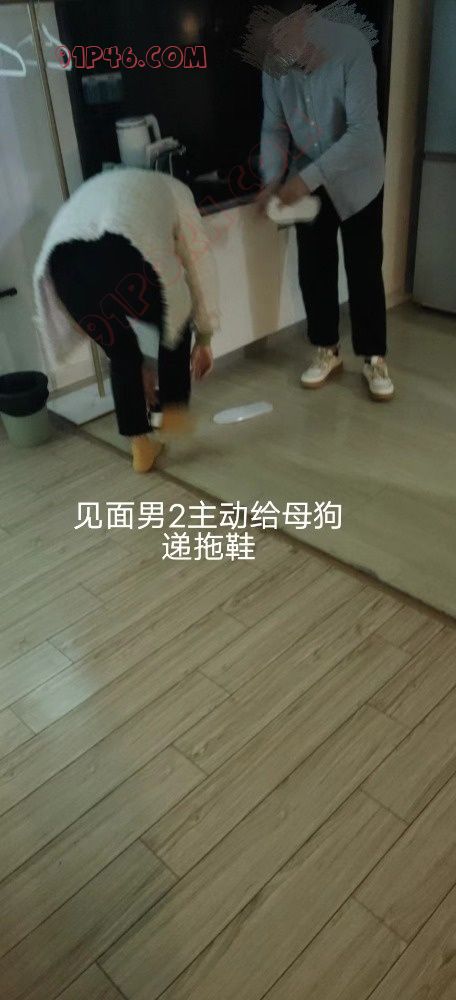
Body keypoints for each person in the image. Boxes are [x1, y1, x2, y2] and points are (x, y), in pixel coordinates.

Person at [34, 168, 220, 472]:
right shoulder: (178, 194)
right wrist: (205, 336)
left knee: (122, 353)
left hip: (62, 270)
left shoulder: (110, 187)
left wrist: (135, 366)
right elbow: (200, 263)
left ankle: (141, 446)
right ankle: (171, 416)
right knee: (177, 317)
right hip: (118, 254)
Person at [256, 4, 394, 400]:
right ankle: (326, 350)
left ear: (305, 20)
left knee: (363, 267)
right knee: (314, 267)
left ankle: (373, 357)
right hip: (308, 174)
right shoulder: (274, 62)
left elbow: (362, 133)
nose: (279, 51)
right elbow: (273, 125)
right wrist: (272, 179)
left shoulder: (351, 48)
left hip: (358, 175)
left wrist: (303, 180)